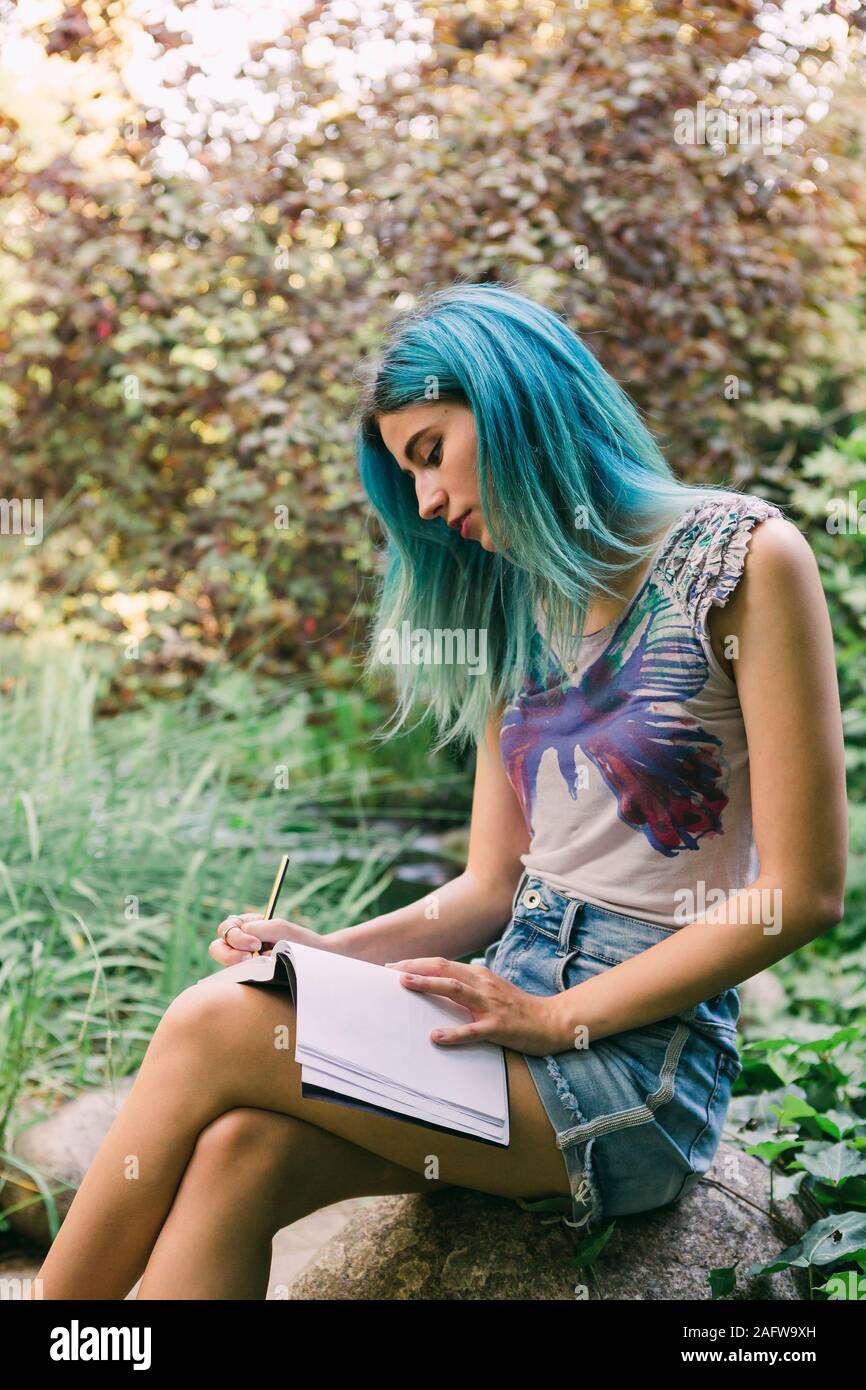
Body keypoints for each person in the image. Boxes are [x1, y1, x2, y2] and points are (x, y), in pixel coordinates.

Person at [29, 283, 847, 1299]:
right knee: (241, 1150)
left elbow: (803, 893)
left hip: (632, 1070)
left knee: (212, 1023)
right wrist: (331, 957)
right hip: (504, 1013)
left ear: (509, 401)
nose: (422, 504)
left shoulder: (740, 558)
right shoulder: (520, 601)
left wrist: (561, 1019)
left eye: (427, 453)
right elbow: (488, 888)